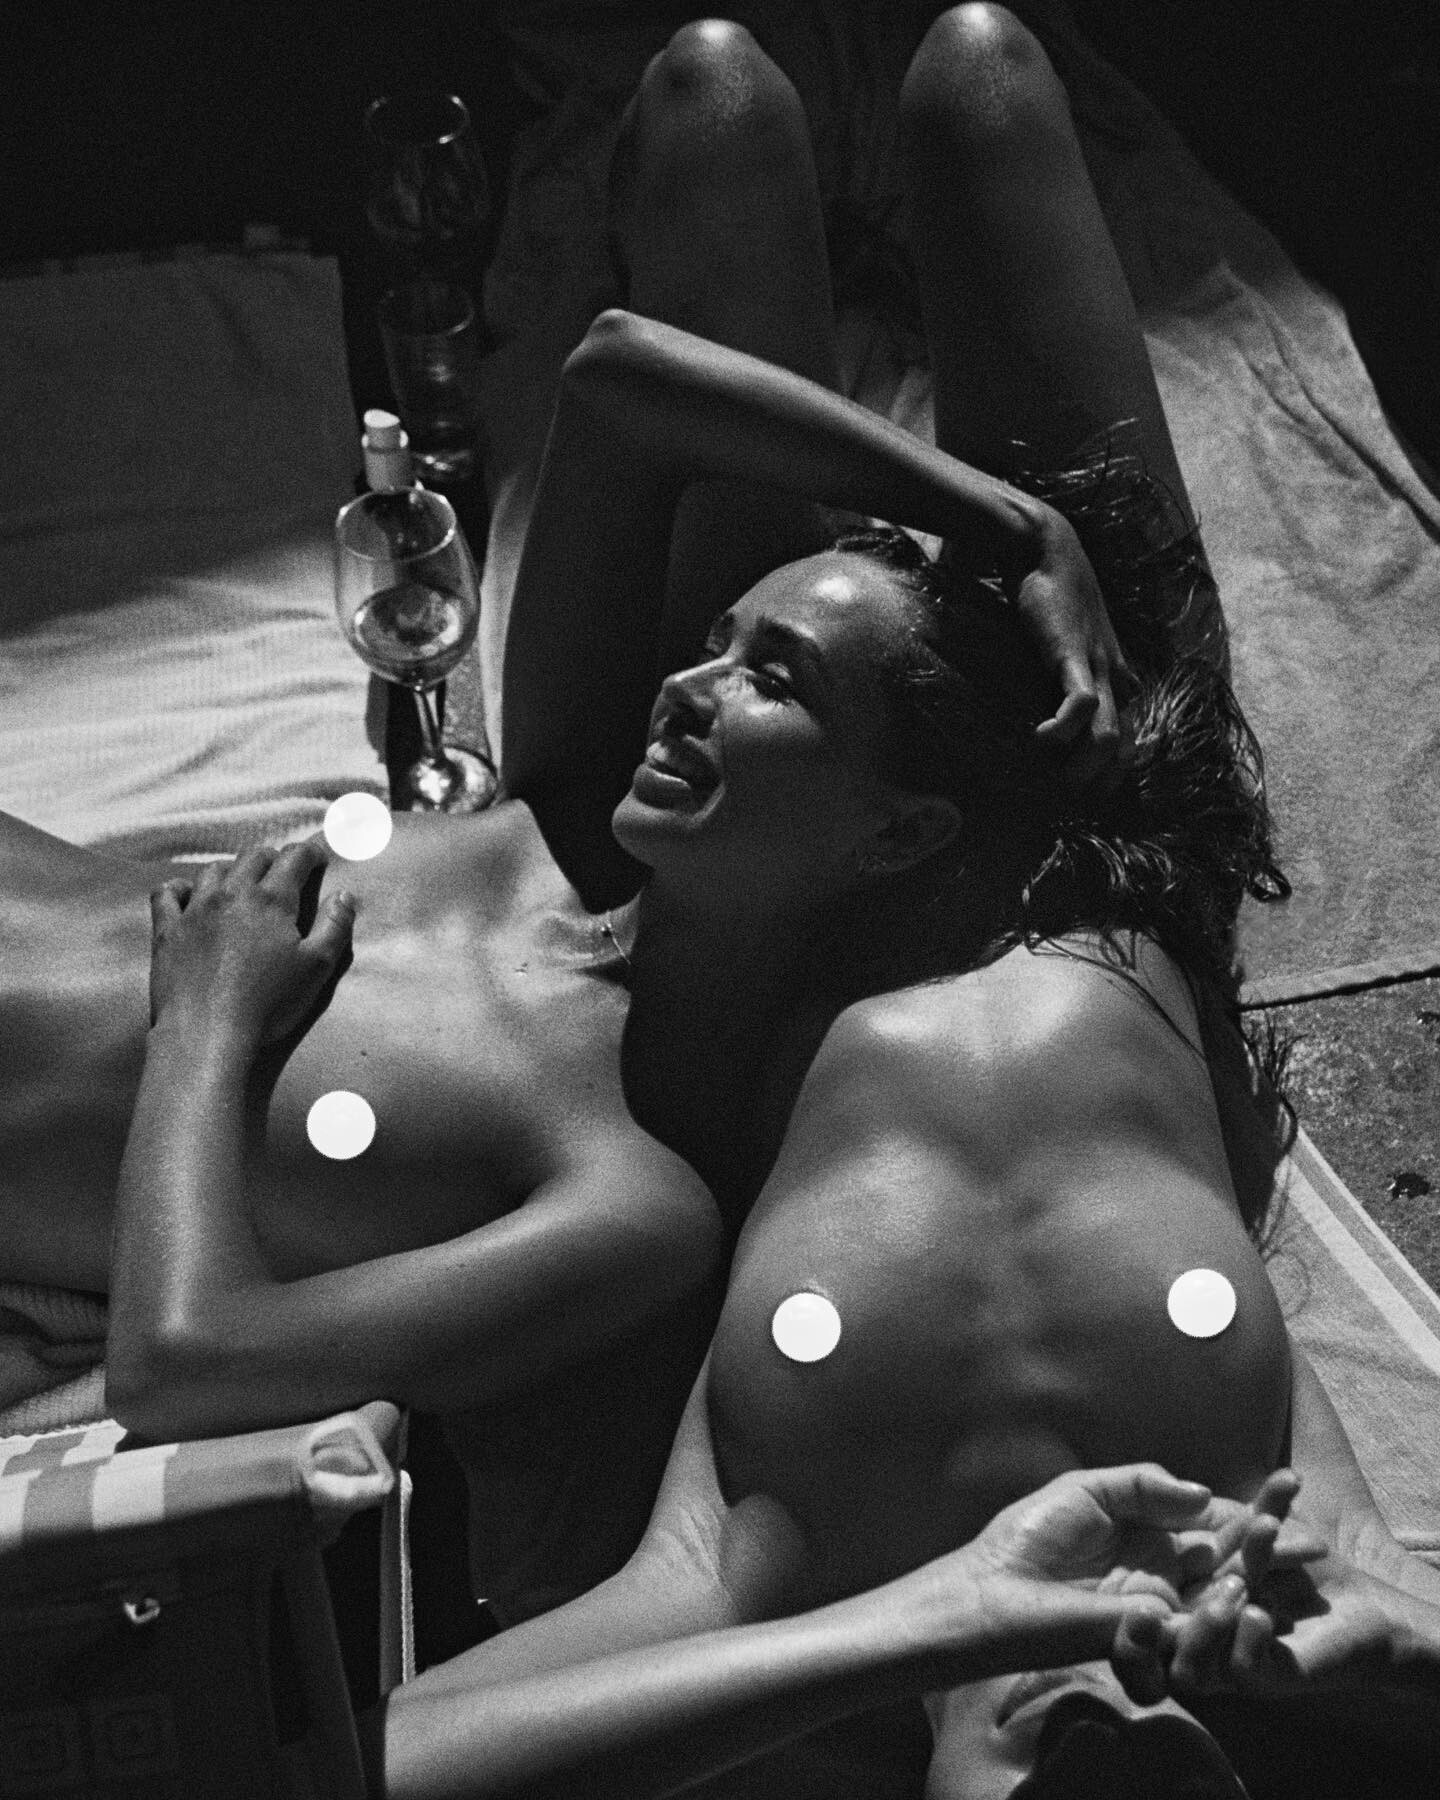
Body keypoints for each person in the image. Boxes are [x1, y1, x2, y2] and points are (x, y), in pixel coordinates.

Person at [119, 7, 1440, 1794]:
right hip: (1114, 824)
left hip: (784, 878)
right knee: (985, 75)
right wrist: (1390, 1642)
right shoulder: (1290, 1596)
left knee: (713, 100)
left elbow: (354, 1769)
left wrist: (928, 1628)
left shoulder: (776, 1581)